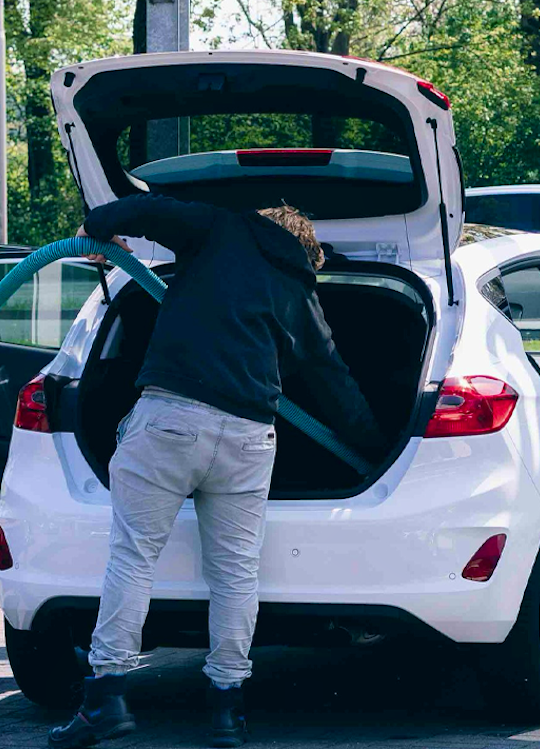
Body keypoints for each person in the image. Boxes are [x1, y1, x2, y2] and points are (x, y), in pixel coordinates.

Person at [50, 194, 385, 749]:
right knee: (235, 574)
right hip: (251, 439)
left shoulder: (222, 227)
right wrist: (378, 447)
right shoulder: (298, 289)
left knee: (134, 558)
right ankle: (227, 711)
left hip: (171, 421)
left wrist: (98, 228)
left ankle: (105, 697)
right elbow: (333, 379)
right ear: (307, 252)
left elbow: (144, 207)